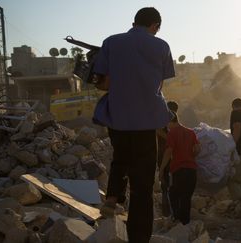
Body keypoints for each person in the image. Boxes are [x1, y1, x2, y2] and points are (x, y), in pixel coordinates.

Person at [93, 7, 175, 243]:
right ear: (155, 26)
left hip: (118, 117)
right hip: (147, 120)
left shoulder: (110, 42)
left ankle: (112, 197)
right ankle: (139, 238)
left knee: (120, 156)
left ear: (133, 22)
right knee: (143, 187)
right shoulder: (161, 46)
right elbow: (158, 87)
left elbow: (104, 83)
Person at [159, 112, 201, 225]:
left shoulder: (172, 133)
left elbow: (168, 151)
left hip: (179, 170)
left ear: (170, 121)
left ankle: (177, 220)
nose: (166, 126)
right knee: (186, 197)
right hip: (192, 170)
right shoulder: (191, 132)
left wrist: (162, 169)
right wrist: (190, 157)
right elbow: (197, 149)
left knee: (173, 194)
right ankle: (184, 224)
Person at [156, 101, 179, 217]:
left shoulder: (167, 120)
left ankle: (170, 210)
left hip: (167, 155)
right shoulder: (163, 120)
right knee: (166, 183)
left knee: (169, 184)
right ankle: (168, 211)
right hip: (164, 154)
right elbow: (158, 130)